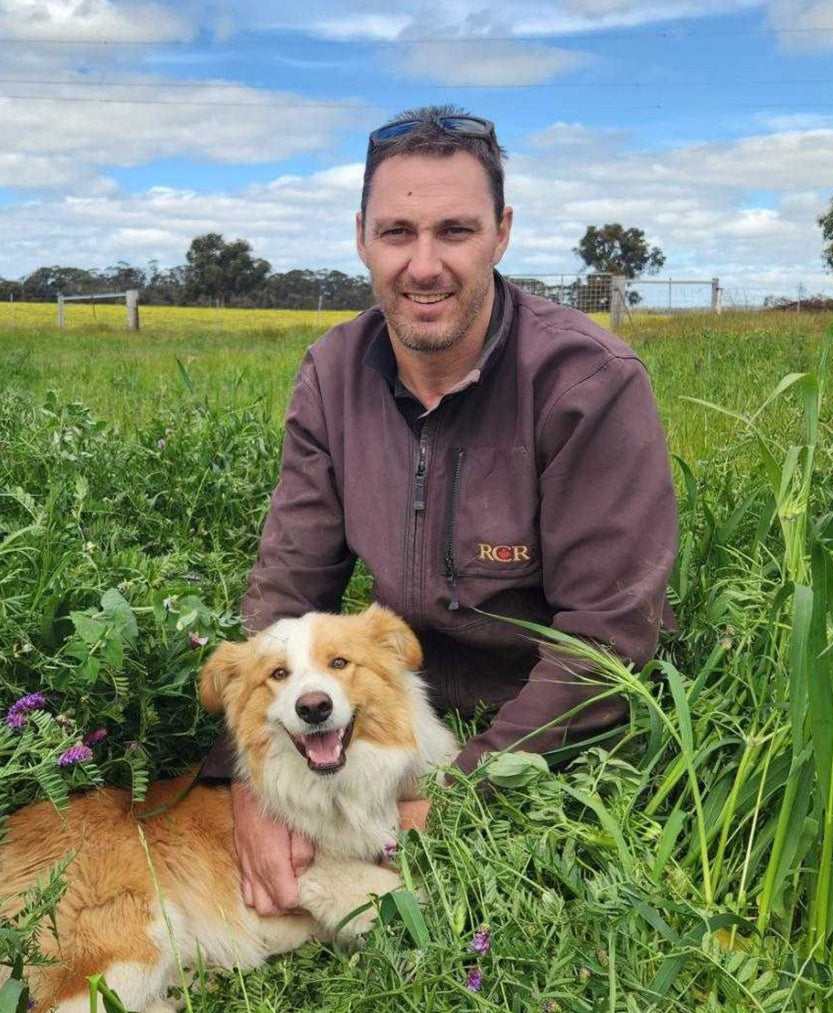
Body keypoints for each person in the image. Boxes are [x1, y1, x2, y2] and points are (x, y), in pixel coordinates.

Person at [200, 105, 679, 918]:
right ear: (361, 239)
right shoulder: (332, 371)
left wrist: (459, 791)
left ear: (502, 234)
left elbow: (610, 636)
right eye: (397, 233)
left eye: (455, 231)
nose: (424, 266)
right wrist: (244, 779)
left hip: (546, 725)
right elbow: (288, 586)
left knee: (494, 913)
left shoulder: (587, 381)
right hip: (387, 710)